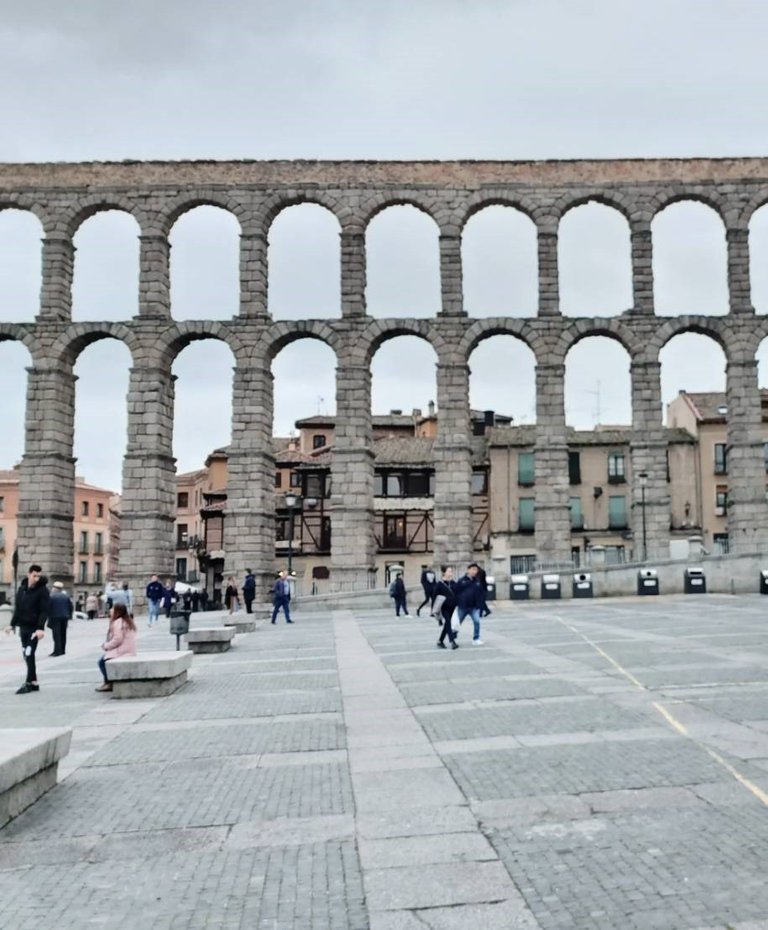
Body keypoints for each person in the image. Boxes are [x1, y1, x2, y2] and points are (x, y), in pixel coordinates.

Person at [3, 564, 50, 694]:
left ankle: (28, 682)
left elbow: (44, 610)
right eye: (34, 576)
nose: (36, 579)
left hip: (34, 628)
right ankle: (34, 681)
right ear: (29, 574)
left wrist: (40, 628)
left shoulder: (43, 590)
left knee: (29, 652)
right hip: (23, 627)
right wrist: (11, 625)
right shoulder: (22, 589)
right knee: (26, 654)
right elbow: (18, 609)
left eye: (38, 576)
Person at [95, 603, 137, 692]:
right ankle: (108, 682)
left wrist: (106, 646)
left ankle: (109, 682)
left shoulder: (118, 622)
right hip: (128, 649)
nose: (110, 610)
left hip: (122, 650)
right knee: (104, 659)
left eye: (112, 608)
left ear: (117, 611)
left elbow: (118, 639)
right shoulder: (126, 620)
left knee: (102, 661)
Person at [455, 562, 485, 645]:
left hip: (474, 607)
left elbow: (481, 593)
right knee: (457, 623)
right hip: (463, 606)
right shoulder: (462, 580)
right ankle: (453, 636)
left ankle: (476, 638)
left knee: (477, 621)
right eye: (473, 569)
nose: (475, 571)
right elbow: (456, 592)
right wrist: (458, 602)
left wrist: (480, 605)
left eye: (476, 570)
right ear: (468, 570)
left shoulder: (478, 581)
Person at [433, 566, 459, 650]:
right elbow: (435, 597)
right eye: (449, 571)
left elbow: (457, 594)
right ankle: (452, 642)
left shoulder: (453, 583)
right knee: (448, 622)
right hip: (443, 607)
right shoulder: (439, 584)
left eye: (451, 571)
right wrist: (433, 611)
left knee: (447, 624)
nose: (450, 573)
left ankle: (440, 641)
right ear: (444, 572)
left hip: (452, 607)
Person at [47, 580, 73, 656]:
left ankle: (57, 651)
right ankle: (62, 650)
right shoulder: (66, 596)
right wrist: (69, 615)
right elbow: (71, 607)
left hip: (55, 617)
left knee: (56, 635)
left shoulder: (51, 596)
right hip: (65, 617)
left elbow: (48, 607)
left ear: (54, 588)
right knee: (63, 634)